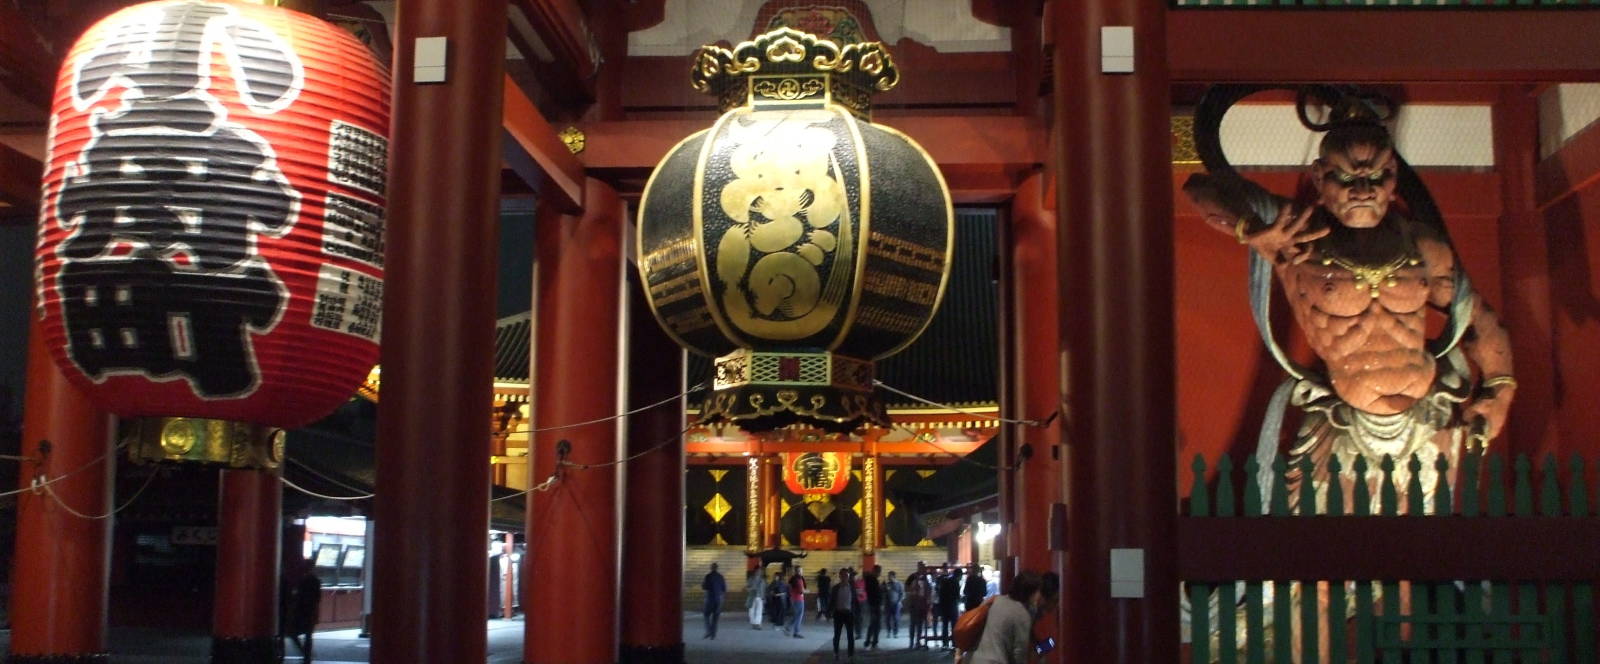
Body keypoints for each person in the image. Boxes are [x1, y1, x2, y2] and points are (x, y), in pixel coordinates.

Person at [1182, 93, 1514, 511]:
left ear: (1393, 177)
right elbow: (1199, 188)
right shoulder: (1295, 236)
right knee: (1325, 546)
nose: (1362, 191)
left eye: (1376, 178)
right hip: (1343, 417)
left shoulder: (1423, 246)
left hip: (1427, 414)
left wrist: (1499, 389)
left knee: (1425, 543)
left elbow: (1478, 319)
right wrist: (1251, 229)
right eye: (1346, 178)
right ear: (1319, 178)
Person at [967, 571, 1046, 664]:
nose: (1039, 595)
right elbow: (1019, 652)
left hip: (973, 659)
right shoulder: (1022, 614)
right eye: (1038, 591)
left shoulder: (994, 600)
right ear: (1030, 592)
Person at [287, 564, 322, 661]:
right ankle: (307, 655)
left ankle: (305, 653)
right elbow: (318, 597)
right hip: (311, 610)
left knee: (293, 633)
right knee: (308, 635)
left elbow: (297, 596)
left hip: (301, 611)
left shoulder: (302, 580)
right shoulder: (316, 581)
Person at [831, 569, 857, 659]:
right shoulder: (835, 588)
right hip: (838, 614)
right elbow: (832, 601)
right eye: (843, 575)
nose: (845, 577)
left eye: (847, 575)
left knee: (850, 635)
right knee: (837, 635)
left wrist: (856, 613)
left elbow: (855, 602)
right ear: (840, 576)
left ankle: (850, 654)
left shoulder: (852, 588)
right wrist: (828, 612)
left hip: (849, 614)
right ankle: (836, 652)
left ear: (848, 577)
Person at [905, 562, 932, 649]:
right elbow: (906, 587)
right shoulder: (913, 576)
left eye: (923, 567)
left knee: (920, 624)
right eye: (921, 567)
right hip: (914, 603)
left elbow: (929, 589)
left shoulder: (926, 578)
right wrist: (912, 590)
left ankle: (918, 642)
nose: (922, 569)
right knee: (913, 624)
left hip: (922, 604)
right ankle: (912, 642)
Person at [935, 567, 962, 649]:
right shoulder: (956, 582)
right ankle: (954, 643)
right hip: (952, 605)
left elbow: (939, 592)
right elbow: (957, 595)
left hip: (944, 605)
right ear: (959, 575)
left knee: (945, 625)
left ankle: (945, 643)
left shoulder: (945, 580)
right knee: (954, 625)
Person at [702, 562, 727, 639]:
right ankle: (713, 634)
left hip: (709, 599)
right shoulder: (721, 577)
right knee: (715, 618)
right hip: (718, 599)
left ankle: (708, 631)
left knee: (706, 615)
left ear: (711, 568)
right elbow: (724, 588)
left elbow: (704, 587)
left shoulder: (708, 576)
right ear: (717, 568)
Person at [862, 565, 883, 648]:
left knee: (874, 624)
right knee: (876, 624)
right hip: (875, 604)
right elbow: (875, 593)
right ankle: (873, 642)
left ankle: (869, 641)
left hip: (872, 604)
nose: (879, 574)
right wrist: (881, 590)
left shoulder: (870, 579)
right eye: (879, 572)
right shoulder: (872, 580)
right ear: (876, 571)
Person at [882, 570, 904, 640]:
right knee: (888, 618)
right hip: (888, 604)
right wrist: (883, 586)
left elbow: (902, 594)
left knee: (896, 618)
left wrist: (899, 601)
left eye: (889, 576)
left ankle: (895, 632)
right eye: (888, 576)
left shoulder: (899, 584)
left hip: (896, 604)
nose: (888, 577)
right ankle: (889, 631)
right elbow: (884, 593)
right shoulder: (887, 584)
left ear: (893, 576)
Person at [787, 565, 808, 637]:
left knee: (796, 615)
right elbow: (801, 591)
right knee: (799, 616)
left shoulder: (793, 579)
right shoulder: (798, 579)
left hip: (794, 599)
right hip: (799, 599)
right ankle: (796, 632)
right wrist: (806, 591)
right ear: (798, 571)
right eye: (801, 570)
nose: (802, 572)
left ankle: (788, 627)